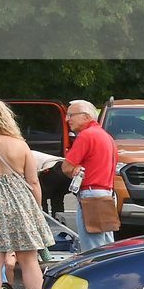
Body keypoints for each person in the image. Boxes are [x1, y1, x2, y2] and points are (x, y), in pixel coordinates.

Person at [0, 98, 55, 289]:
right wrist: (37, 208)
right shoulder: (19, 144)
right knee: (29, 259)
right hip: (21, 203)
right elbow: (33, 181)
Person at [60, 100, 119, 251]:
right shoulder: (107, 137)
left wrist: (73, 169)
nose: (67, 120)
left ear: (86, 117)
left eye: (71, 115)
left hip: (91, 196)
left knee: (92, 250)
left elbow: (66, 167)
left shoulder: (86, 136)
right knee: (106, 246)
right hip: (106, 195)